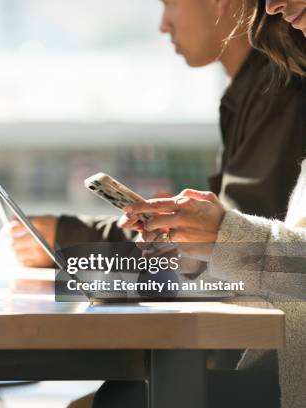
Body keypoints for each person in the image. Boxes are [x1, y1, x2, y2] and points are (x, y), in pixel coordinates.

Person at [106, 0, 306, 406]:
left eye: (170, 3)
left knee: (125, 400)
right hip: (283, 369)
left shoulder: (278, 87)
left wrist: (224, 239)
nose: (271, 5)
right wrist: (213, 243)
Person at [5, 0, 305, 268]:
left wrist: (72, 240)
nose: (163, 25)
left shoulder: (278, 88)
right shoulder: (252, 93)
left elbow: (236, 250)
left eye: (169, 3)